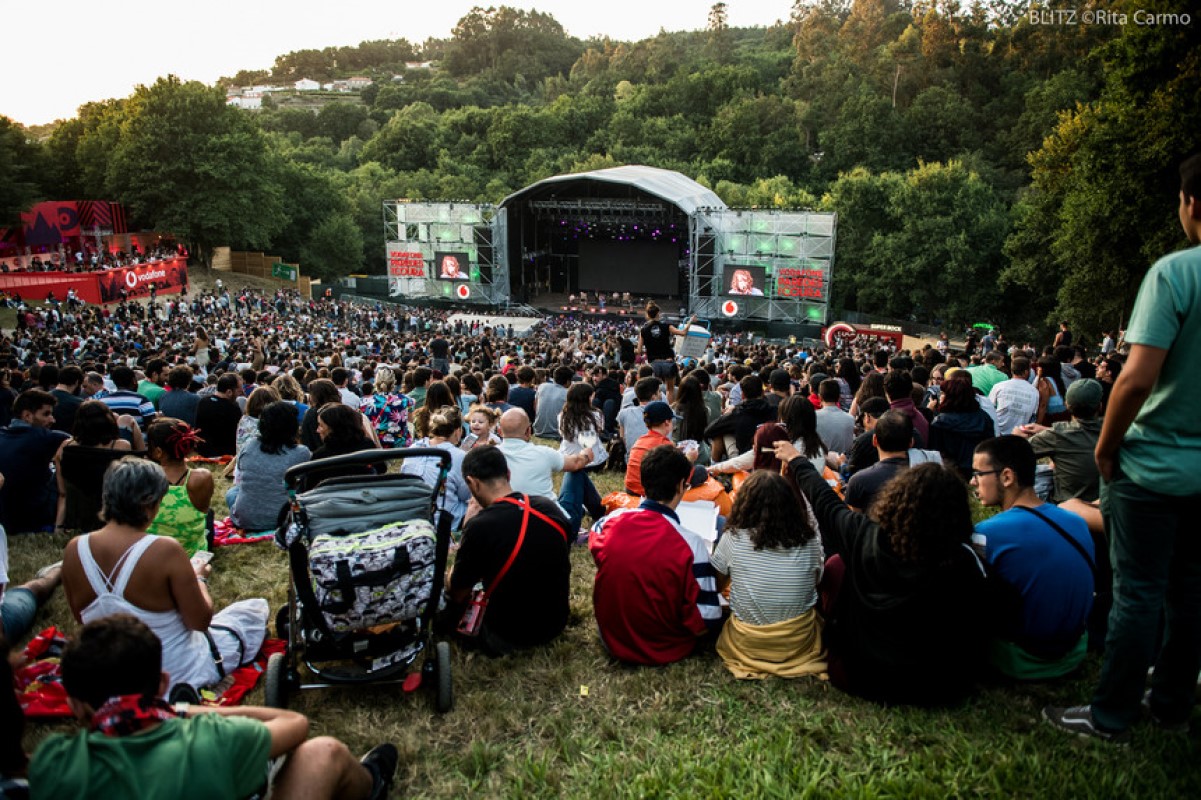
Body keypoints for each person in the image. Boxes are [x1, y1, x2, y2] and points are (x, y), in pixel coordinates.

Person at [1044, 153, 1201, 743]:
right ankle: (1172, 706)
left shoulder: (1176, 274)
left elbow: (1134, 379)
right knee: (1190, 594)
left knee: (1137, 592)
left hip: (1155, 462)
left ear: (1192, 204)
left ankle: (1110, 714)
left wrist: (1108, 450)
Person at [28, 614, 398, 800]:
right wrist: (187, 711)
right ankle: (371, 782)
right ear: (160, 685)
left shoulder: (52, 764)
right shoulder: (214, 740)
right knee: (324, 751)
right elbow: (294, 725)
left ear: (75, 705)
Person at [774, 439, 990, 706]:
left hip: (860, 675)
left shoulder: (865, 535)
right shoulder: (963, 561)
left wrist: (797, 461)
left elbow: (826, 503)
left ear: (897, 498)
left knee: (838, 566)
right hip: (937, 685)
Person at [60, 458, 268, 694]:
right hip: (173, 671)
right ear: (149, 502)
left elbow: (81, 617)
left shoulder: (75, 548)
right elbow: (199, 622)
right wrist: (199, 579)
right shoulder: (164, 550)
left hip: (109, 672)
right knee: (253, 610)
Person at [971, 436, 1094, 680]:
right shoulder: (1077, 522)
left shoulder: (987, 533)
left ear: (1007, 477)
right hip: (1074, 651)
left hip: (1020, 658)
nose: (973, 482)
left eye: (978, 473)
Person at [590, 445, 722, 665]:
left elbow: (598, 546)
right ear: (681, 485)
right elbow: (707, 619)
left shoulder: (607, 524)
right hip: (668, 645)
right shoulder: (692, 544)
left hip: (612, 637)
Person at [446, 446, 570, 655]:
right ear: (508, 474)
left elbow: (458, 593)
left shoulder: (480, 526)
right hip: (554, 624)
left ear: (472, 483)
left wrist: (466, 531)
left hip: (505, 635)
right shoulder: (548, 508)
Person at [711, 470, 826, 679]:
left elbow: (716, 586)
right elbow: (815, 582)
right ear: (790, 503)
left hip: (748, 642)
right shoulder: (809, 542)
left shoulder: (733, 539)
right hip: (798, 641)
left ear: (744, 503)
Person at [1013, 378, 1103, 503]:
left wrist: (1016, 437)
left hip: (1066, 507)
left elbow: (1013, 454)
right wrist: (1046, 430)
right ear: (1100, 406)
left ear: (1067, 404)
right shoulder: (1115, 431)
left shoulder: (1057, 436)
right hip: (1104, 505)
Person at [0, 389, 71, 533]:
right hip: (33, 516)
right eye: (46, 414)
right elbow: (81, 443)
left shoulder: (2, 434)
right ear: (27, 415)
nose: (52, 419)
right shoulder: (44, 437)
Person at [496, 409, 588, 513]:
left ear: (499, 431)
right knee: (575, 473)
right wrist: (586, 455)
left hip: (509, 521)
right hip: (553, 523)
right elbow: (575, 463)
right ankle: (601, 512)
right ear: (528, 431)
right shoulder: (543, 453)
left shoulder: (489, 456)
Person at [144, 419, 214, 557]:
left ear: (158, 452)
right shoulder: (202, 478)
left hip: (151, 559)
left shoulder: (143, 478)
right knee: (209, 514)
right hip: (191, 560)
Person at [401, 405, 471, 530]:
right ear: (457, 431)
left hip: (414, 518)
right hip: (446, 521)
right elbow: (466, 494)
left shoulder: (414, 448)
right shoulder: (457, 456)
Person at [557, 383, 608, 534]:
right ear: (587, 398)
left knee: (576, 471)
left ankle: (584, 508)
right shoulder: (596, 415)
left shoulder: (562, 416)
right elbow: (596, 435)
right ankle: (592, 510)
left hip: (569, 458)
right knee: (577, 471)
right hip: (593, 461)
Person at [844, 411, 915, 513]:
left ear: (874, 440)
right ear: (911, 442)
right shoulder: (926, 476)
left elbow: (856, 523)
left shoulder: (859, 481)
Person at [927, 373, 994, 476]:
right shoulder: (984, 418)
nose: (941, 397)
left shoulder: (940, 423)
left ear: (951, 396)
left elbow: (934, 453)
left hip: (950, 474)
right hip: (978, 471)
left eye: (943, 393)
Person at [639, 302, 696, 403]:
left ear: (648, 315)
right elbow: (683, 333)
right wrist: (690, 321)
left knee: (653, 390)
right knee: (670, 390)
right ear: (658, 314)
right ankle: (668, 410)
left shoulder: (643, 330)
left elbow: (639, 351)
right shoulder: (667, 326)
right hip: (668, 362)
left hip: (654, 363)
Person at [358, 365, 414, 449]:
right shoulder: (406, 400)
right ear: (393, 383)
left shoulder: (363, 403)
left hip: (375, 448)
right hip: (400, 447)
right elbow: (410, 421)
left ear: (376, 383)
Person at [194, 373, 242, 458]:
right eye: (239, 390)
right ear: (229, 392)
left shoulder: (203, 402)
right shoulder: (233, 408)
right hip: (224, 456)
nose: (241, 392)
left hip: (203, 452)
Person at [989, 355, 1040, 435]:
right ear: (1026, 372)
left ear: (1012, 370)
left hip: (997, 432)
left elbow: (989, 408)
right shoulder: (1035, 392)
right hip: (1019, 435)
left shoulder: (999, 386)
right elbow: (1033, 416)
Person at [814, 379, 855, 454]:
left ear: (820, 397)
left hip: (821, 461)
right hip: (844, 462)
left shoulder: (813, 417)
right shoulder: (850, 419)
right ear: (839, 397)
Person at [533, 366, 572, 439]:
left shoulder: (542, 387)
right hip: (557, 435)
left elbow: (535, 407)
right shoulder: (568, 394)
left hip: (538, 430)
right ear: (568, 381)